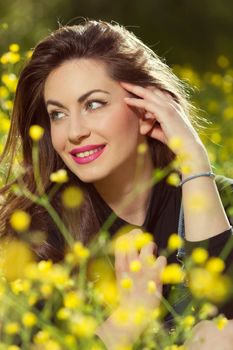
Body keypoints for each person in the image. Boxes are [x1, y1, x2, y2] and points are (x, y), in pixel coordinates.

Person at [0, 19, 232, 349]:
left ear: (146, 109)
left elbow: (224, 309)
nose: (74, 131)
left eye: (93, 104)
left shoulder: (220, 198)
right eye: (58, 114)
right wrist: (130, 316)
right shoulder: (35, 233)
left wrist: (194, 159)